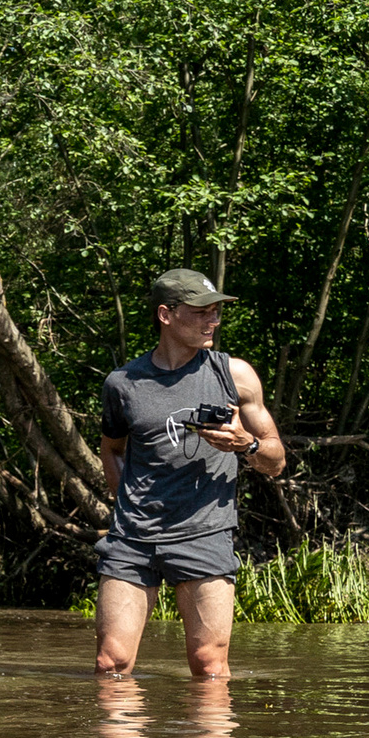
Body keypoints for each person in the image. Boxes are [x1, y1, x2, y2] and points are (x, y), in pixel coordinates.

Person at [94, 268, 287, 679]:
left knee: (209, 665)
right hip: (133, 538)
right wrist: (124, 505)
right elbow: (112, 450)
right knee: (112, 663)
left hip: (204, 533)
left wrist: (245, 445)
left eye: (216, 311)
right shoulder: (122, 383)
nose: (212, 320)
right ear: (166, 314)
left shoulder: (234, 375)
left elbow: (276, 459)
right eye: (201, 312)